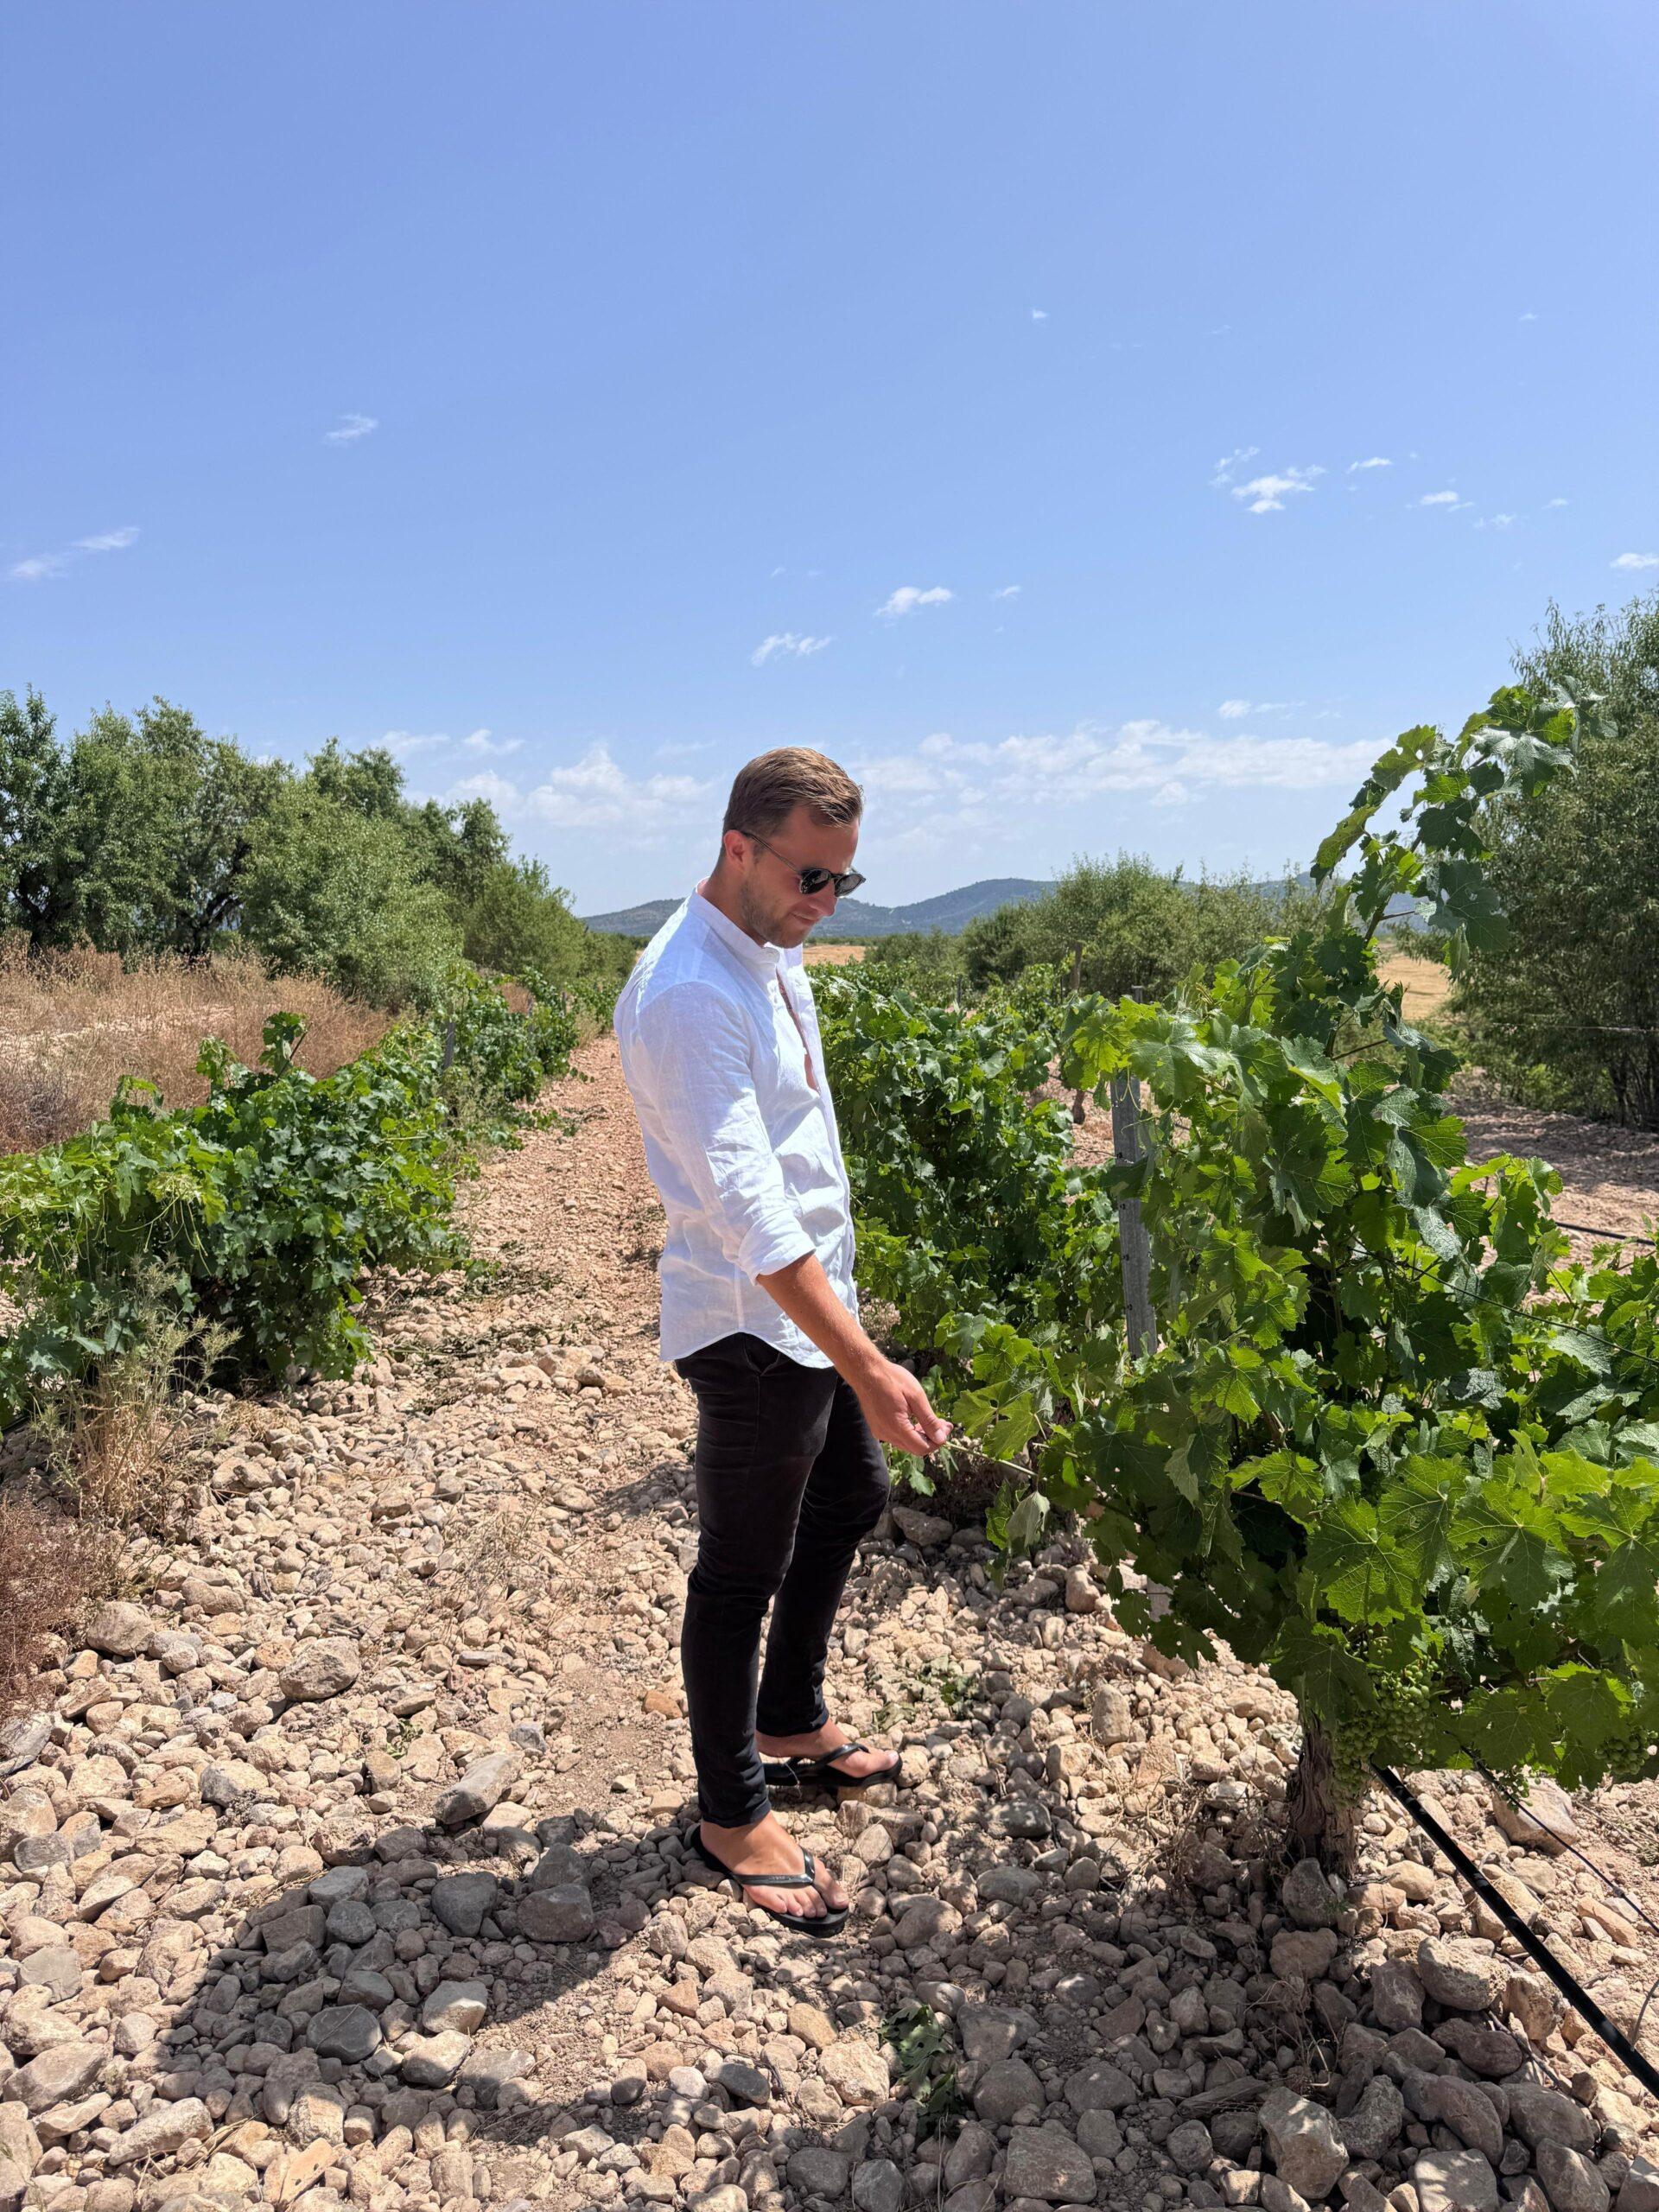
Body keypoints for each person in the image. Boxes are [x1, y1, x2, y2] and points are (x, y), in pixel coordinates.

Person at [615, 747, 950, 1936]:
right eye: (813, 877)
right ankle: (729, 1810)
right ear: (738, 848)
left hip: (809, 1311)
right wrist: (868, 1364)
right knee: (738, 1570)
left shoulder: (769, 951)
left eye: (844, 883)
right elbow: (754, 1215)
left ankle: (790, 1714)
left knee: (851, 1497)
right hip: (752, 1328)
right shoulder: (689, 993)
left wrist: (854, 1342)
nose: (826, 903)